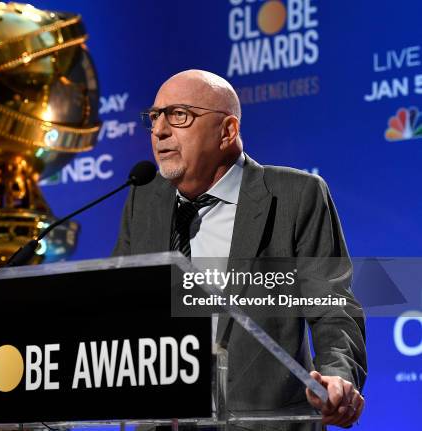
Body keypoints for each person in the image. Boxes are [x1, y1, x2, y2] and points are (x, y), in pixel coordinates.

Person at [112, 70, 366, 429]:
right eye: (154, 117)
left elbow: (332, 307)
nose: (159, 131)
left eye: (178, 115)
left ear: (227, 131)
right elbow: (113, 305)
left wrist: (338, 376)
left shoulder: (295, 195)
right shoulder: (144, 198)